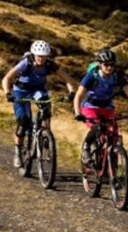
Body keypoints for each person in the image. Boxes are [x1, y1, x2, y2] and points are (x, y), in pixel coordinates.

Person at [2, 40, 75, 169]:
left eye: (44, 56)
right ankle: (18, 152)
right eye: (39, 56)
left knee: (46, 108)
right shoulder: (26, 63)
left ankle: (44, 133)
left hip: (37, 91)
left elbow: (67, 79)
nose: (41, 58)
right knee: (23, 121)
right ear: (33, 55)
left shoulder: (50, 64)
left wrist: (72, 93)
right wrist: (8, 93)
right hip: (21, 92)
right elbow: (7, 78)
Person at [73, 48, 128, 163]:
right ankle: (86, 147)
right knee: (97, 128)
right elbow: (79, 95)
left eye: (112, 65)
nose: (109, 67)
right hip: (89, 106)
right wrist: (77, 113)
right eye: (106, 65)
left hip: (107, 107)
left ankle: (112, 167)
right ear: (100, 64)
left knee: (113, 134)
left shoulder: (116, 76)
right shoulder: (92, 76)